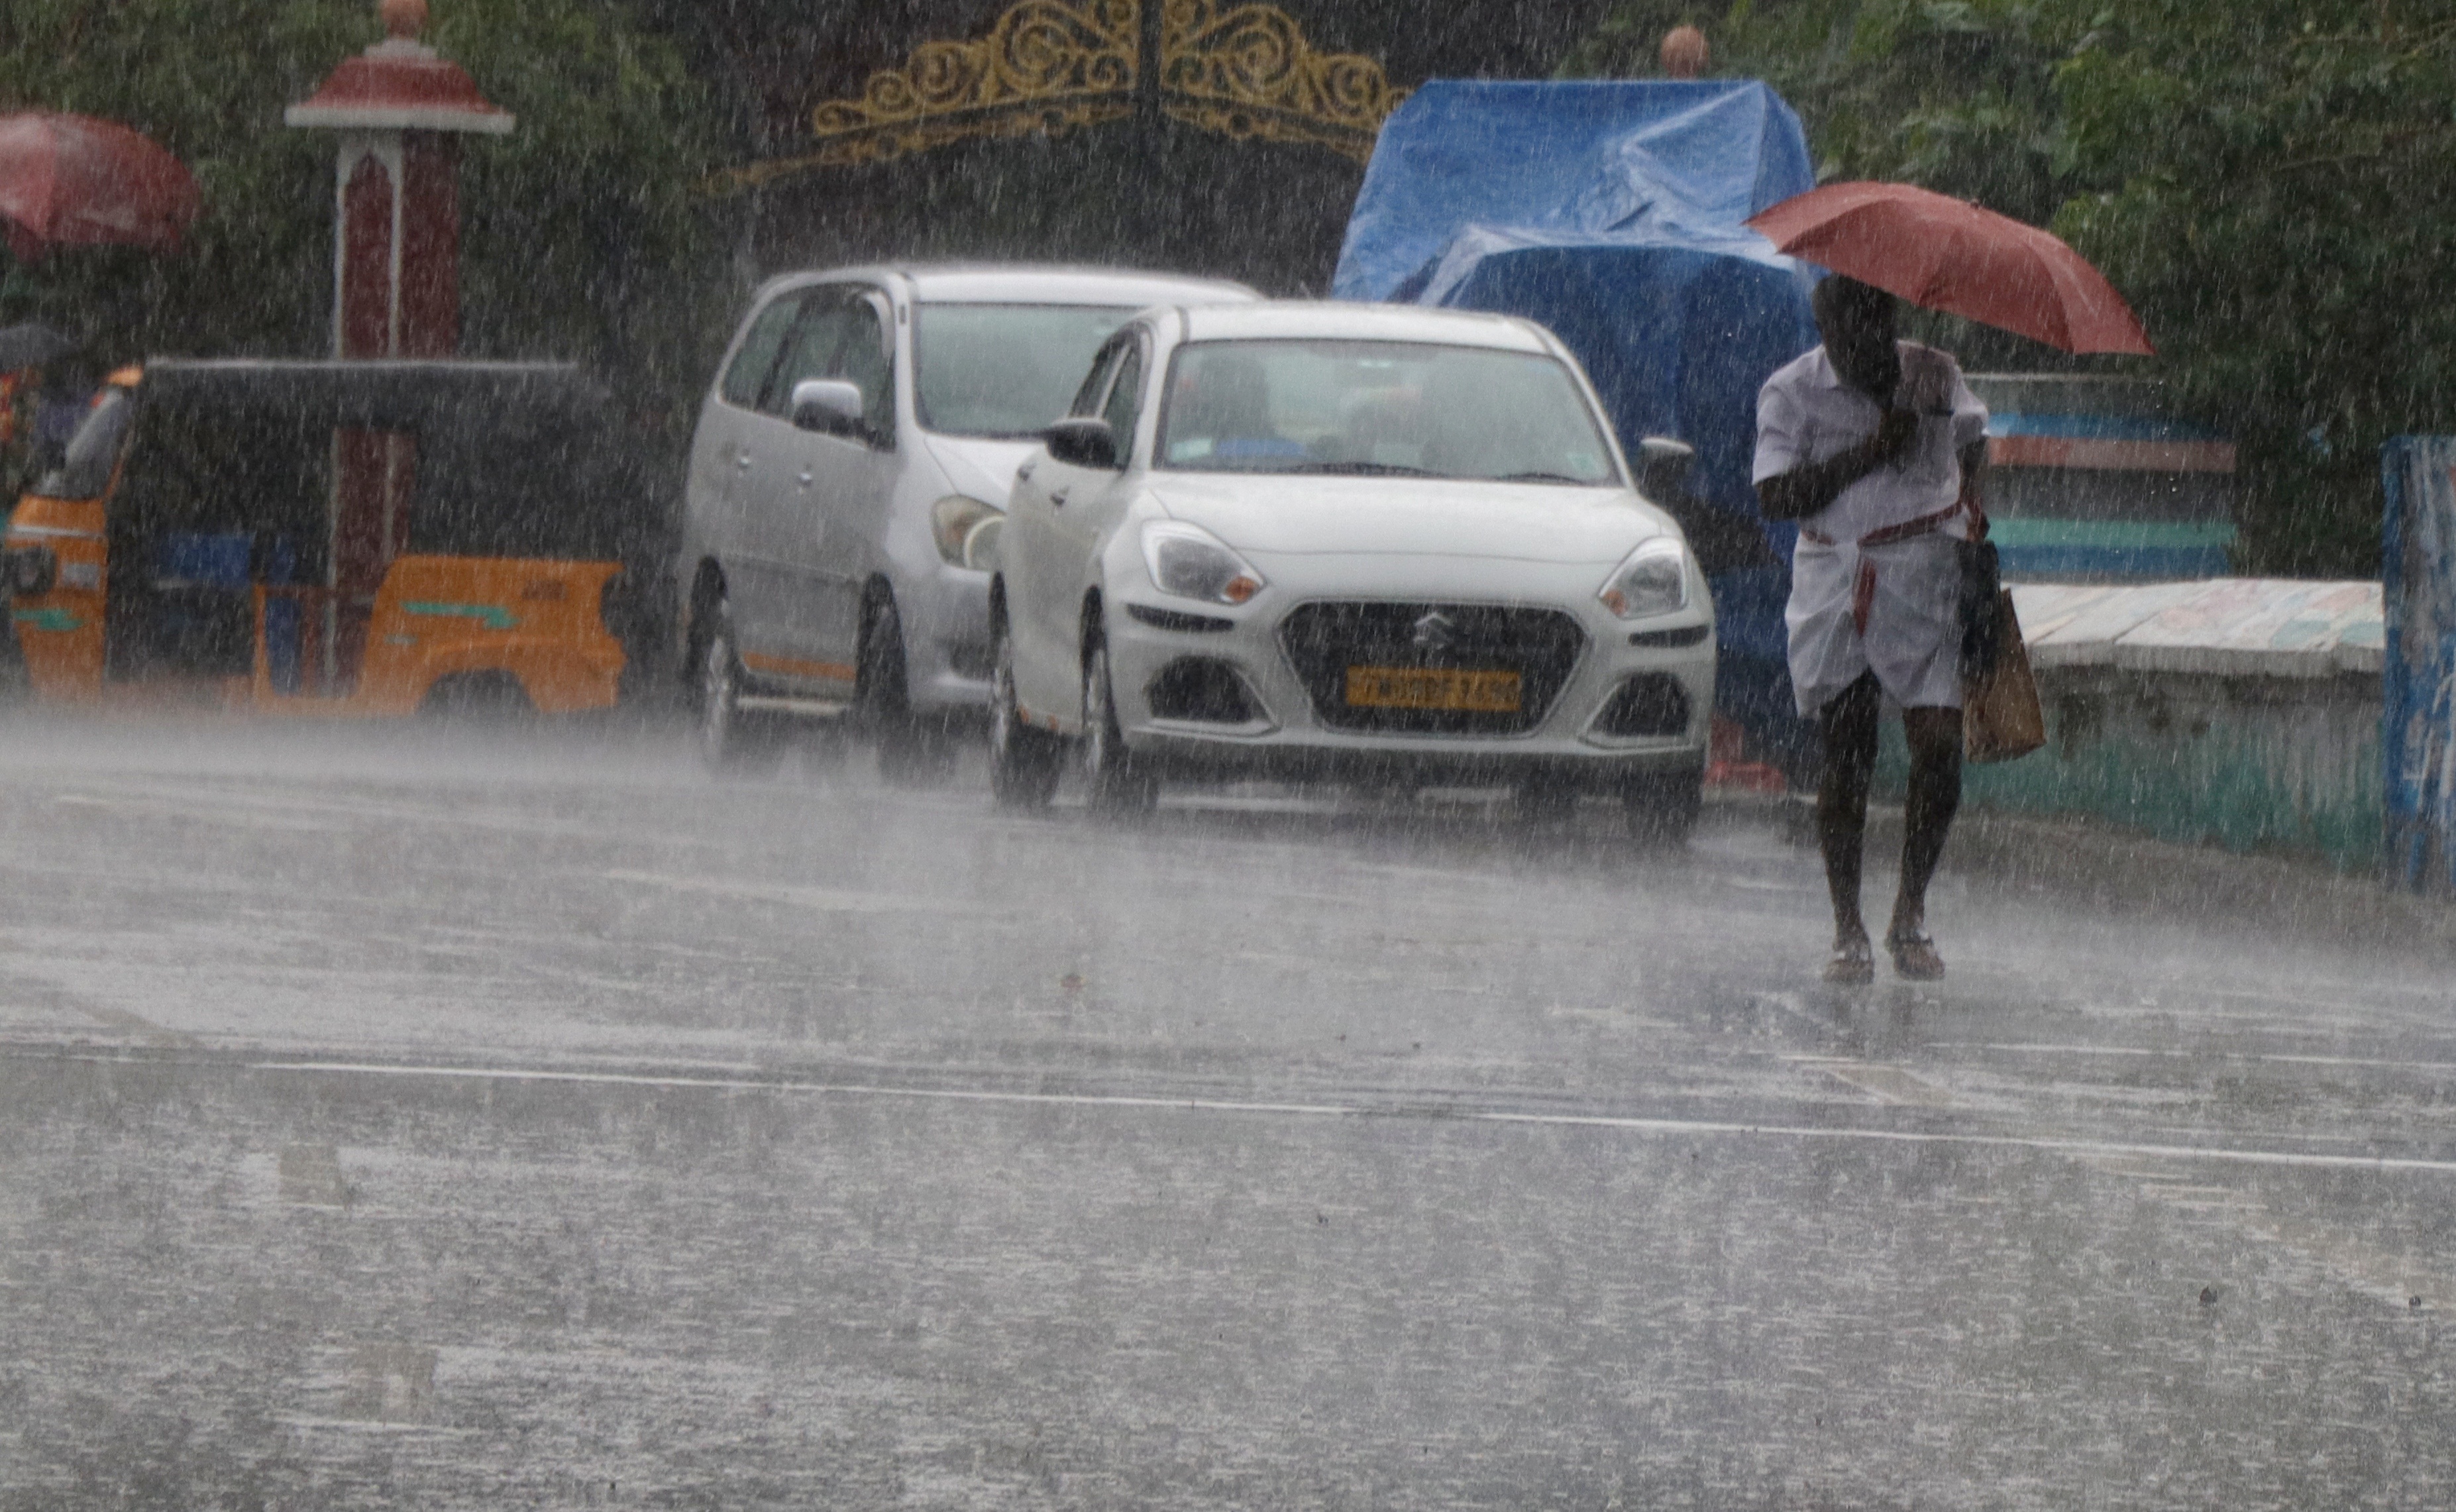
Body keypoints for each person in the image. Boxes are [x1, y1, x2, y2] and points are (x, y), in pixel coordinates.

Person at [1753, 276, 1988, 983]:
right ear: (1825, 331)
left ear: (1890, 318)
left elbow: (1973, 442)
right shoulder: (1789, 392)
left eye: (1876, 330)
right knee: (1847, 747)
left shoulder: (1935, 372)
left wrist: (1971, 511)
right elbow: (1773, 495)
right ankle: (1846, 925)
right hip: (1837, 579)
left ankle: (1909, 909)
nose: (1866, 350)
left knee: (1940, 745)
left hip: (1925, 576)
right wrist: (1867, 452)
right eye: (1847, 336)